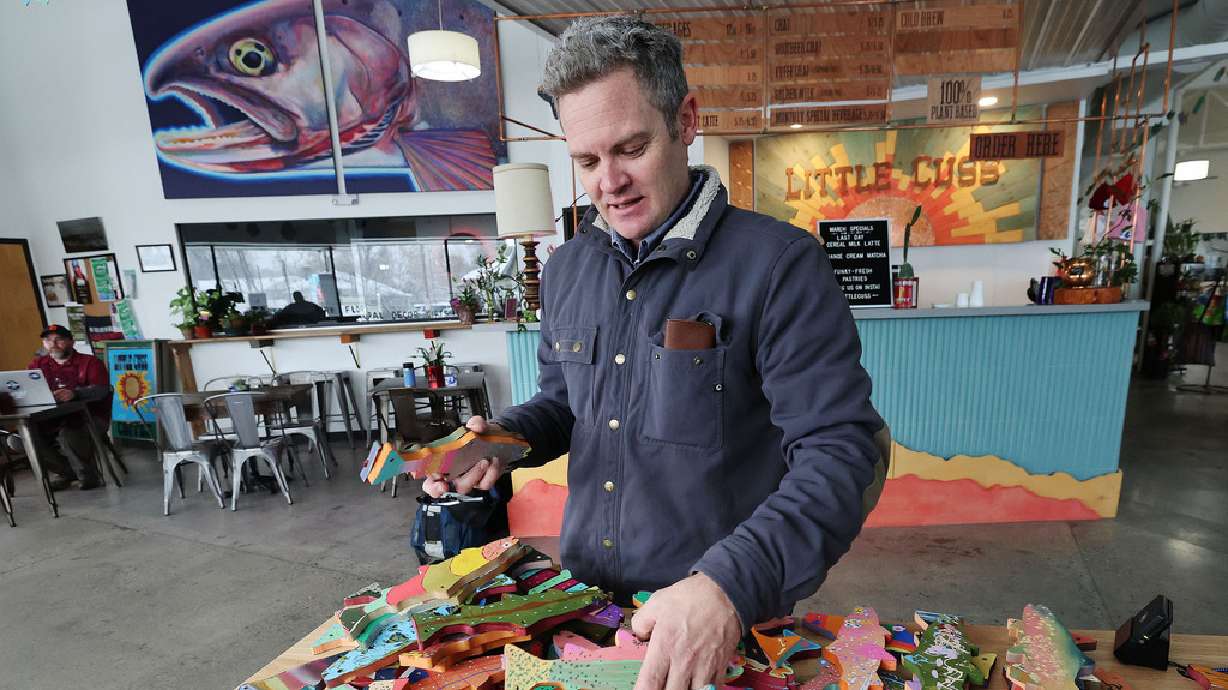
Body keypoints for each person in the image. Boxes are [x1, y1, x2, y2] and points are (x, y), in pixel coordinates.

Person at [424, 16, 884, 690]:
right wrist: (499, 441)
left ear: (686, 120)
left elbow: (841, 452)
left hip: (717, 619)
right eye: (586, 161)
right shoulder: (567, 270)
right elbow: (565, 404)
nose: (609, 182)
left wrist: (728, 585)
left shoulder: (781, 267)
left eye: (631, 147)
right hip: (581, 608)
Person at [27, 325, 112, 491]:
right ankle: (66, 471)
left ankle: (88, 475)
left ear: (71, 341)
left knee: (69, 433)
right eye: (47, 340)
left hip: (89, 416)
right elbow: (28, 388)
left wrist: (75, 393)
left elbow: (102, 390)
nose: (53, 344)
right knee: (22, 439)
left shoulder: (90, 362)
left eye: (59, 339)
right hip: (50, 417)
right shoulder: (38, 365)